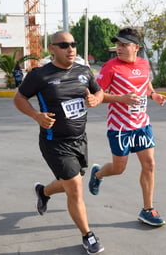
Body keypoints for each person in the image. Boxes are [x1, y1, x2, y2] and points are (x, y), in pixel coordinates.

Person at [13, 31, 105, 254]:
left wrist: (96, 99)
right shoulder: (40, 75)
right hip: (54, 142)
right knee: (74, 186)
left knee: (69, 182)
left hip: (79, 140)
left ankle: (43, 192)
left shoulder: (84, 71)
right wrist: (36, 116)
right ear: (52, 49)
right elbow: (19, 98)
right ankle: (88, 236)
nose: (70, 49)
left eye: (73, 44)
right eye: (64, 45)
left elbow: (99, 92)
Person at [88, 27, 166, 227]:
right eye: (118, 44)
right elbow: (97, 95)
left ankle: (147, 209)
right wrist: (120, 99)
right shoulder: (110, 67)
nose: (119, 48)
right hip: (120, 127)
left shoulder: (143, 64)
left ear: (136, 47)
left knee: (149, 165)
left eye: (124, 44)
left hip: (142, 124)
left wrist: (154, 95)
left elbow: (146, 84)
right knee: (118, 168)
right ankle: (98, 174)